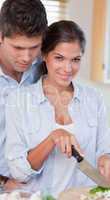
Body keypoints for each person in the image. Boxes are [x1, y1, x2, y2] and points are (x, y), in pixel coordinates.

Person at [5, 20, 110, 197]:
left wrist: (108, 158)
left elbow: (107, 148)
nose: (68, 68)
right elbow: (19, 171)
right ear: (45, 55)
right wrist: (52, 138)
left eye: (75, 60)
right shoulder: (19, 100)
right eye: (59, 58)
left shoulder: (93, 98)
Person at [0, 0, 47, 190]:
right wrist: (3, 182)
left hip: (40, 188)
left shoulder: (45, 69)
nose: (27, 57)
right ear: (1, 36)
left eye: (34, 47)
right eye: (18, 48)